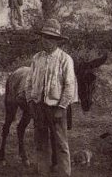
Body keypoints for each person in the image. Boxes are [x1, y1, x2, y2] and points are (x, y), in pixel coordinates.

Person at [25, 19, 78, 176]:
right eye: (44, 37)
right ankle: (43, 172)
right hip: (39, 107)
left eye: (51, 38)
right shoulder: (37, 58)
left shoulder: (65, 59)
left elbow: (69, 85)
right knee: (40, 141)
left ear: (57, 41)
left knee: (61, 143)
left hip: (56, 108)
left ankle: (64, 173)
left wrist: (61, 107)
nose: (47, 41)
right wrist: (30, 102)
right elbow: (29, 82)